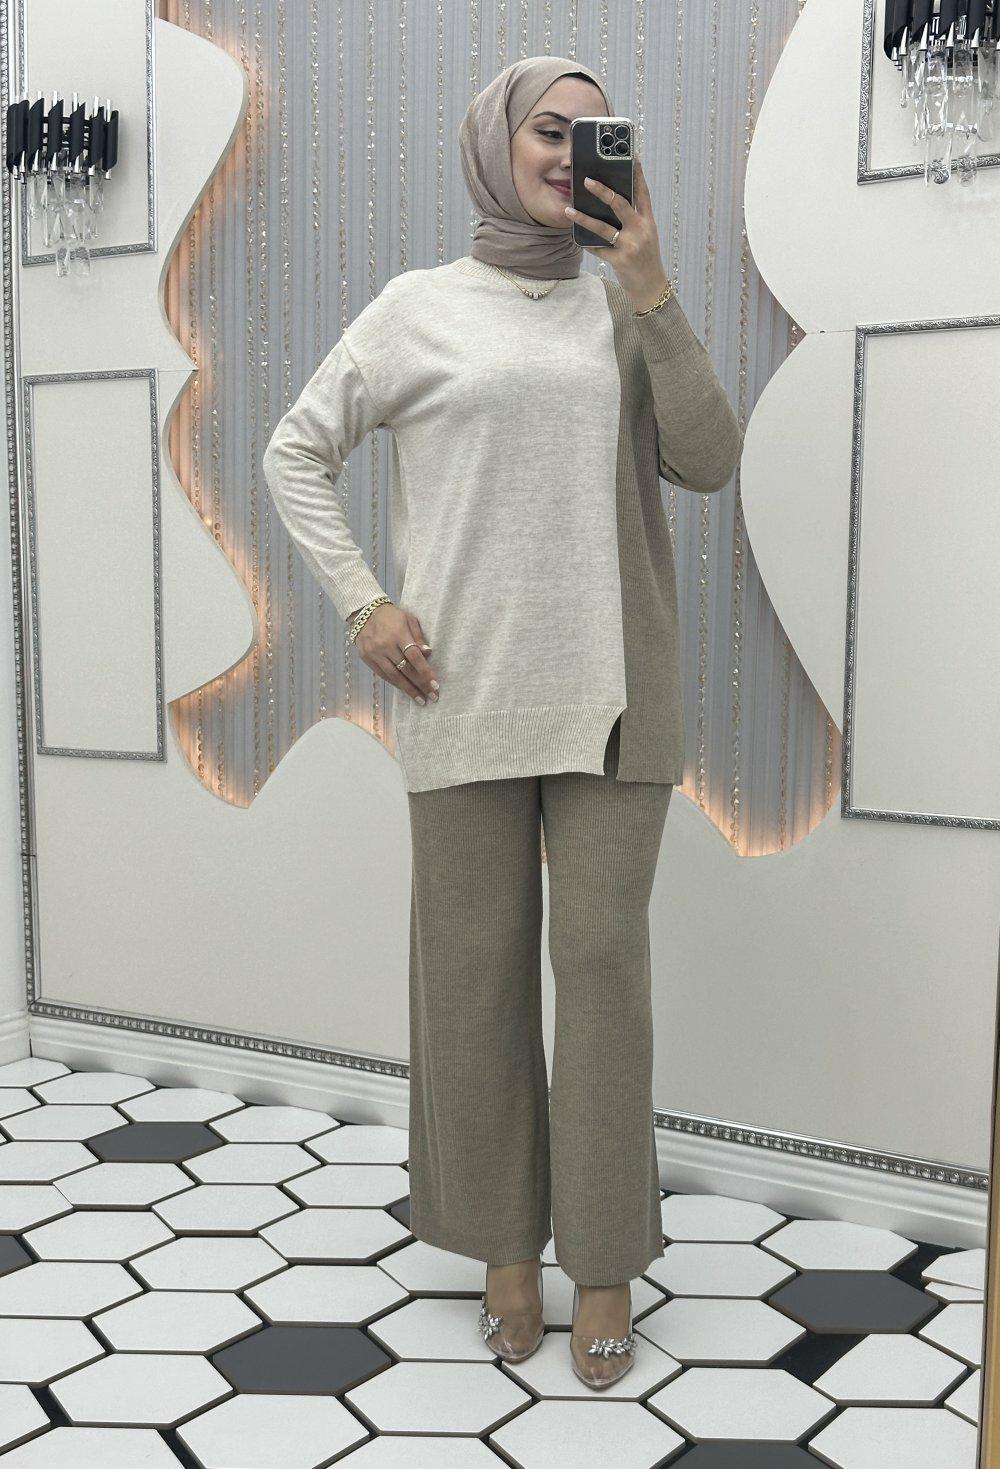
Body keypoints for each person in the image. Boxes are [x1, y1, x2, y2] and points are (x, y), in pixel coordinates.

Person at [262, 55, 742, 1390]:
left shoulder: (627, 309)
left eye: (594, 133)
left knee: (602, 974)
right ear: (494, 143)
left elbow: (709, 459)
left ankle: (606, 1262)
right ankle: (504, 1251)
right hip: (459, 693)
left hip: (614, 700)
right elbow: (295, 449)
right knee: (472, 980)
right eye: (548, 128)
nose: (569, 151)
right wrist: (364, 603)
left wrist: (651, 284)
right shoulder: (416, 309)